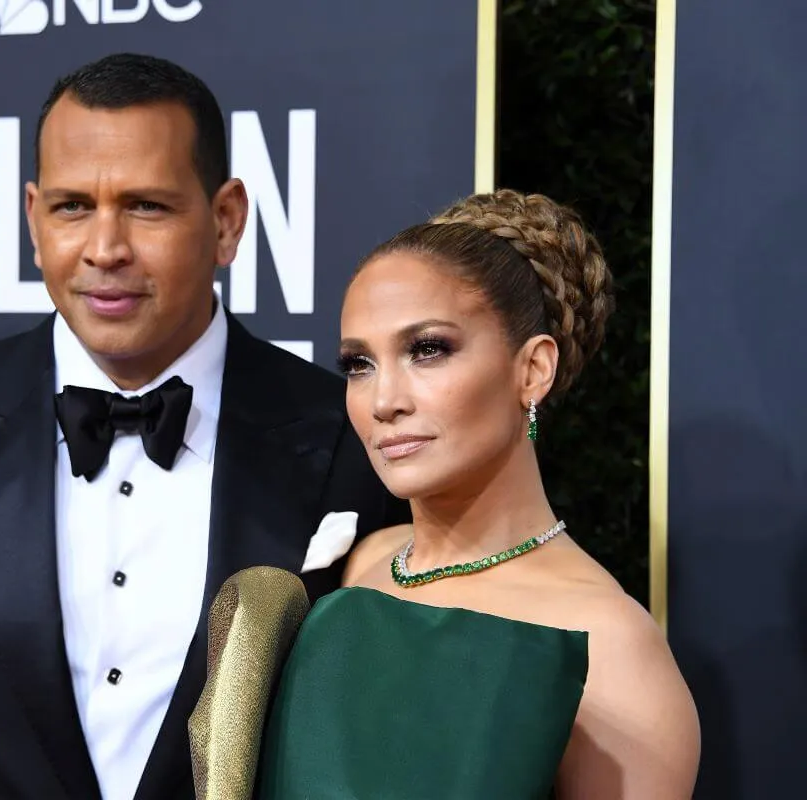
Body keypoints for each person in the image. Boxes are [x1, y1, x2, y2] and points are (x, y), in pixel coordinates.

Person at [0, 53, 406, 800]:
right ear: (34, 219)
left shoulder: (356, 442)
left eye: (146, 206)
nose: (105, 249)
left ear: (226, 221)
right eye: (72, 207)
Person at [245, 189, 701, 798]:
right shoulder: (356, 566)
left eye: (427, 350)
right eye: (359, 364)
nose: (384, 402)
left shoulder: (611, 650)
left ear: (533, 369)